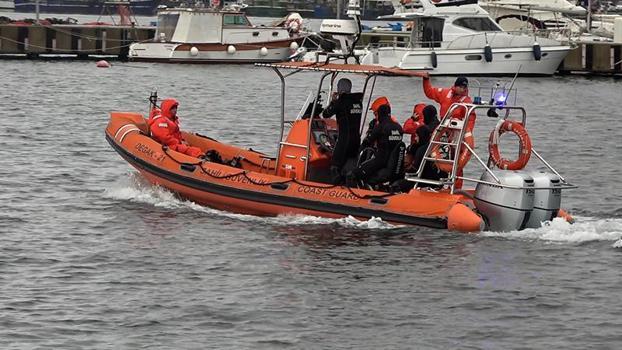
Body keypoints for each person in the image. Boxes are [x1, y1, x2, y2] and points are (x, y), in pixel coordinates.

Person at [321, 78, 364, 184]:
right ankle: (350, 185)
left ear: (339, 89)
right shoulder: (358, 103)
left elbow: (325, 114)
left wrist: (333, 101)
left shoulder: (340, 102)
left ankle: (335, 189)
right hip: (356, 140)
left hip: (344, 140)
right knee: (350, 166)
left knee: (334, 166)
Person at [349, 104, 403, 185]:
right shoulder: (399, 127)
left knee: (354, 173)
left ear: (380, 114)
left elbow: (368, 142)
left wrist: (358, 151)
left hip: (381, 161)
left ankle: (355, 192)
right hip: (395, 163)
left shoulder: (380, 126)